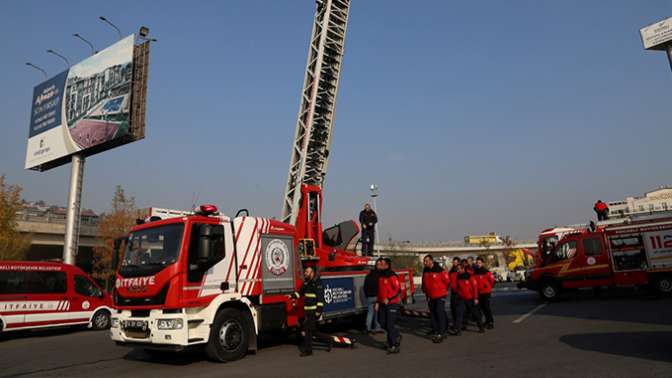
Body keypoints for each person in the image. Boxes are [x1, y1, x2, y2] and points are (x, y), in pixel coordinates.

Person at [291, 266, 333, 357]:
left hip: (313, 312)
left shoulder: (317, 283)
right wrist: (292, 296)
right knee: (313, 331)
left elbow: (320, 299)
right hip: (307, 312)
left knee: (308, 331)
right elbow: (300, 293)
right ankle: (329, 339)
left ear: (312, 273)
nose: (305, 273)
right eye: (305, 271)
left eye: (307, 272)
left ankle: (308, 351)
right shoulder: (306, 283)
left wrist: (318, 312)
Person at [449, 262, 484, 335]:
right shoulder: (457, 277)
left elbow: (475, 288)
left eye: (459, 269)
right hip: (462, 299)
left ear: (463, 269)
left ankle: (481, 327)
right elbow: (456, 288)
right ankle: (458, 330)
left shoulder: (470, 276)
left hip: (471, 299)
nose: (457, 271)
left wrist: (476, 298)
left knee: (476, 314)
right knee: (459, 313)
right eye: (457, 269)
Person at [421, 255, 450, 343]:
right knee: (433, 313)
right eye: (424, 261)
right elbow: (424, 282)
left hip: (440, 295)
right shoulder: (425, 270)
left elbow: (447, 282)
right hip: (430, 296)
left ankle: (441, 333)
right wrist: (424, 290)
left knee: (439, 312)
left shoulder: (439, 270)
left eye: (426, 261)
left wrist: (444, 291)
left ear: (431, 261)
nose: (425, 262)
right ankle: (436, 329)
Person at [376, 258, 402, 354]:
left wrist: (389, 298)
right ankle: (396, 335)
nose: (380, 265)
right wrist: (378, 302)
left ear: (387, 265)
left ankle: (393, 345)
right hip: (382, 303)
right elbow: (380, 292)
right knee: (382, 322)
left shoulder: (392, 276)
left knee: (390, 325)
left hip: (392, 303)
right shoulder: (381, 276)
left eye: (382, 264)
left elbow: (397, 289)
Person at [473, 257, 495, 329]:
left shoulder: (486, 272)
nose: (478, 264)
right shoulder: (475, 272)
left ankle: (490, 322)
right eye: (477, 263)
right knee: (481, 308)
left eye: (479, 263)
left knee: (486, 308)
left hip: (486, 292)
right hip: (478, 292)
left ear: (482, 263)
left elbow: (492, 281)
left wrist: (487, 287)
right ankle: (486, 321)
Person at [363, 258, 384, 334]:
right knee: (377, 313)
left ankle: (368, 327)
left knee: (370, 312)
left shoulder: (368, 276)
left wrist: (367, 295)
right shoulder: (380, 276)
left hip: (370, 297)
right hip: (377, 296)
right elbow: (380, 287)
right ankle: (377, 327)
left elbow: (365, 287)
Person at [448, 257, 460, 327]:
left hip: (460, 292)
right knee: (453, 308)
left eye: (456, 262)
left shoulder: (461, 270)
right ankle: (455, 323)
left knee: (459, 309)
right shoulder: (451, 271)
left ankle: (460, 323)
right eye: (454, 262)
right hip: (453, 292)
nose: (455, 263)